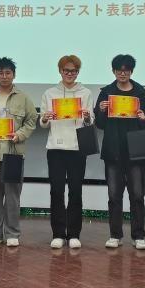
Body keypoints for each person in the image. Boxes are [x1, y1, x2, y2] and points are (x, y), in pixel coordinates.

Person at [0, 57, 38, 247]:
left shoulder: (23, 97)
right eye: (1, 73)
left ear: (14, 75)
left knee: (12, 196)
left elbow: (31, 120)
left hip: (13, 153)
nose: (4, 76)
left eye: (8, 73)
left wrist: (20, 135)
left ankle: (12, 233)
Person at [94, 54, 145, 250]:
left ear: (131, 71)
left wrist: (143, 118)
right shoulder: (106, 93)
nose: (122, 73)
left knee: (137, 195)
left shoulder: (142, 93)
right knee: (114, 196)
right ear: (113, 71)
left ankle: (138, 236)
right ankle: (115, 235)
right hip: (113, 151)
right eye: (119, 70)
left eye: (126, 70)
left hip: (136, 152)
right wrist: (101, 110)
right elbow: (100, 124)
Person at [39, 54, 94, 249]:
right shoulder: (49, 93)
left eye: (73, 71)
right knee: (56, 191)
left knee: (76, 191)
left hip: (77, 149)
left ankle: (74, 234)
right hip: (55, 149)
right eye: (66, 70)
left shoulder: (86, 93)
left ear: (78, 72)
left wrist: (87, 117)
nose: (70, 74)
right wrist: (45, 118)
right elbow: (43, 123)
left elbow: (90, 122)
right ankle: (58, 234)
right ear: (60, 71)